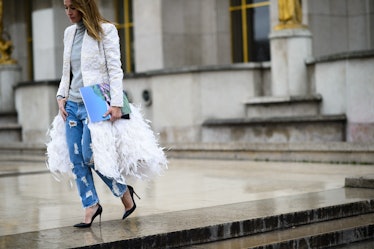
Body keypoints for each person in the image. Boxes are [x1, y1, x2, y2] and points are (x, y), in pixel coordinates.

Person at [46, 0, 167, 228]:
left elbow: (115, 68)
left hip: (96, 100)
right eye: (65, 7)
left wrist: (117, 103)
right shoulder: (69, 33)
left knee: (91, 155)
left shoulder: (106, 30)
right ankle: (90, 204)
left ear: (84, 6)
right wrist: (60, 96)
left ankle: (123, 192)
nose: (68, 12)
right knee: (76, 159)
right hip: (71, 105)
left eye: (72, 7)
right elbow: (67, 72)